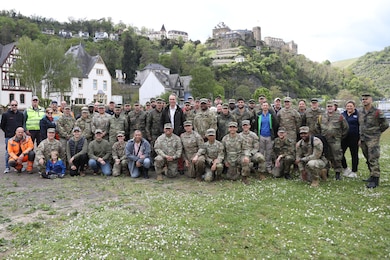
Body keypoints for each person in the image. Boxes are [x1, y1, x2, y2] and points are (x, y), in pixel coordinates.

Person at [359, 93, 389, 188]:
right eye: (363, 99)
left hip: (373, 138)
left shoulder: (377, 112)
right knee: (367, 157)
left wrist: (377, 132)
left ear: (371, 100)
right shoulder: (361, 112)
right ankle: (371, 175)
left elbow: (385, 124)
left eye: (366, 99)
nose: (364, 100)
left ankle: (375, 179)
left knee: (373, 158)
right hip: (363, 138)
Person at [316, 101, 349, 180]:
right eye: (328, 106)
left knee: (337, 156)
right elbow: (317, 127)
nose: (329, 108)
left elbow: (346, 128)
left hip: (335, 140)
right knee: (325, 156)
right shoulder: (321, 117)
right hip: (325, 140)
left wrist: (339, 137)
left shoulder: (340, 117)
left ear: (335, 107)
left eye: (331, 106)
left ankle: (337, 173)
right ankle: (326, 172)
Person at [1, 100, 24, 173]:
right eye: (12, 105)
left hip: (19, 136)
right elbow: (2, 125)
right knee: (8, 152)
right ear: (10, 106)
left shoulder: (21, 114)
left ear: (17, 105)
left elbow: (22, 124)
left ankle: (17, 166)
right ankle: (7, 167)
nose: (14, 106)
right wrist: (7, 131)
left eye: (15, 105)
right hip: (9, 136)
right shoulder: (5, 114)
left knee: (19, 151)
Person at [255, 102, 278, 175]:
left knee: (269, 152)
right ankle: (261, 167)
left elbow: (275, 125)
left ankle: (268, 167)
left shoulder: (271, 116)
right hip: (261, 135)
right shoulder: (259, 115)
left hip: (269, 136)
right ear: (261, 107)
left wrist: (273, 134)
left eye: (266, 105)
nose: (265, 107)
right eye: (263, 105)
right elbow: (256, 125)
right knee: (261, 152)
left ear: (268, 107)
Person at [341, 100, 359, 178]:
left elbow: (361, 126)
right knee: (340, 154)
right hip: (344, 138)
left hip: (354, 138)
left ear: (354, 107)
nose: (349, 107)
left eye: (351, 106)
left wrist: (360, 138)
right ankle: (345, 168)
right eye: (348, 106)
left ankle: (354, 171)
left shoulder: (358, 115)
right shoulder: (342, 114)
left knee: (354, 155)